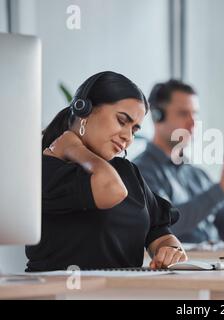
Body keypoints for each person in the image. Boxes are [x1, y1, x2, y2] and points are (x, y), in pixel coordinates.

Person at [26, 71, 187, 272]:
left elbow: (159, 231)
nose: (128, 137)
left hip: (121, 292)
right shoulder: (45, 169)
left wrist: (168, 249)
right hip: (65, 292)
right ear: (84, 110)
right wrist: (73, 149)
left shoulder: (126, 171)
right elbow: (111, 190)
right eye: (122, 120)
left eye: (134, 129)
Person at [134, 80, 224, 243]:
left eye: (195, 113)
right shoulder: (140, 171)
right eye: (184, 113)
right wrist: (221, 189)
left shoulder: (197, 174)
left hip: (214, 261)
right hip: (183, 265)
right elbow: (166, 223)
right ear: (158, 116)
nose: (193, 123)